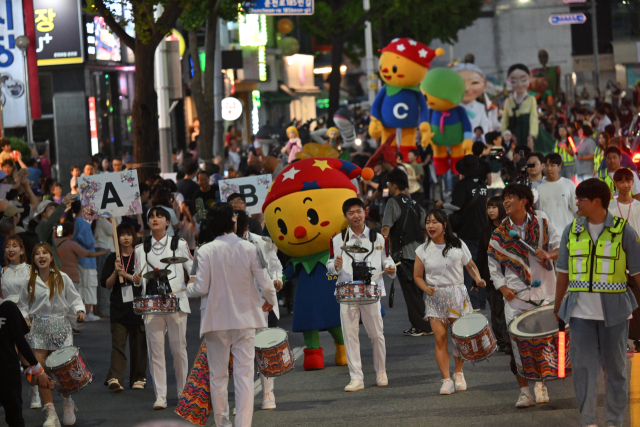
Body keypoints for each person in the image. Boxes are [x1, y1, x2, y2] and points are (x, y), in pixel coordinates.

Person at [554, 178, 640, 427]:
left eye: (580, 199)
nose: (577, 203)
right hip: (580, 314)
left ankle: (614, 422)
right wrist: (558, 306)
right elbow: (562, 272)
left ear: (596, 202)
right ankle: (588, 421)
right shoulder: (572, 230)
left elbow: (637, 273)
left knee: (615, 372)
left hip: (615, 314)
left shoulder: (624, 231)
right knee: (583, 370)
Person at [186, 203, 277, 427]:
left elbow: (200, 288)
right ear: (232, 221)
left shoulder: (204, 250)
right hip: (245, 318)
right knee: (244, 375)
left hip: (215, 320)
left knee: (217, 376)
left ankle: (222, 423)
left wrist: (185, 288)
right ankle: (243, 425)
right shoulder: (249, 248)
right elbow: (266, 283)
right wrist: (270, 301)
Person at [488, 183, 560, 408]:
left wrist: (548, 254)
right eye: (504, 198)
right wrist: (502, 287)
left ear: (524, 201)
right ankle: (524, 391)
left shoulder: (542, 220)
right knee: (517, 345)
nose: (506, 202)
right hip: (515, 297)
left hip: (543, 293)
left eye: (510, 197)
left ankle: (540, 384)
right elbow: (492, 264)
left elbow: (561, 248)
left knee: (541, 343)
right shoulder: (500, 233)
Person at [326, 198, 396, 392]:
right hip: (347, 293)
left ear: (365, 212)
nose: (356, 215)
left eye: (358, 211)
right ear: (345, 216)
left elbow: (387, 260)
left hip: (370, 291)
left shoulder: (378, 238)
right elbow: (329, 266)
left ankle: (381, 372)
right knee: (350, 336)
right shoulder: (337, 239)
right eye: (351, 213)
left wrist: (390, 268)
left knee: (376, 335)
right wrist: (335, 266)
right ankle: (356, 377)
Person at [414, 209, 486, 394]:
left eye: (434, 222)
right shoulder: (422, 249)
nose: (430, 226)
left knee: (459, 338)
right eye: (428, 222)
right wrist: (425, 288)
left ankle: (459, 373)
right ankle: (446, 379)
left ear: (444, 225)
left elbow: (470, 265)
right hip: (435, 298)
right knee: (440, 338)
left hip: (457, 296)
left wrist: (478, 279)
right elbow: (417, 276)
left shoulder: (458, 244)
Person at [18, 243, 86, 427]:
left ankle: (67, 402)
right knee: (40, 371)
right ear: (33, 259)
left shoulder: (62, 278)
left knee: (64, 371)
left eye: (45, 253)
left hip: (61, 328)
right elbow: (22, 306)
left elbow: (75, 299)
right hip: (38, 329)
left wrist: (80, 310)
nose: (41, 256)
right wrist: (24, 317)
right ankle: (51, 413)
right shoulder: (29, 282)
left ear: (51, 257)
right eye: (37, 254)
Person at [132, 206, 193, 410]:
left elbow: (193, 271)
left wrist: (188, 288)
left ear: (168, 221)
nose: (155, 219)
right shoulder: (140, 248)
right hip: (151, 303)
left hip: (175, 301)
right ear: (147, 222)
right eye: (151, 217)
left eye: (160, 216)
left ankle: (183, 392)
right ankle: (161, 396)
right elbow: (137, 277)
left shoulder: (179, 244)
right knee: (155, 352)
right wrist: (135, 278)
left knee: (178, 350)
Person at [235, 210, 283, 408]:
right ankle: (242, 401)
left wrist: (277, 280)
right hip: (237, 306)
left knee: (265, 349)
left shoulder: (262, 242)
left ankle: (268, 394)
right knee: (242, 355)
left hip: (263, 303)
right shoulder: (221, 246)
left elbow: (275, 266)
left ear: (245, 226)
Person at [381, 168, 432, 336]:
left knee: (411, 295)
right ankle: (421, 324)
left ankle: (422, 327)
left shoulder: (392, 203)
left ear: (394, 185)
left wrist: (381, 249)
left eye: (389, 183)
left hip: (404, 256)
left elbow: (386, 228)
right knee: (418, 292)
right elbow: (425, 229)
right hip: (420, 255)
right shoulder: (415, 204)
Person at [436, 155, 487, 310]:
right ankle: (482, 300)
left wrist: (441, 204)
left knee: (468, 266)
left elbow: (456, 206)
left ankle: (473, 301)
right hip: (483, 229)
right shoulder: (483, 185)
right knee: (481, 265)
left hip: (467, 230)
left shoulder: (462, 185)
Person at [101, 223, 147, 393]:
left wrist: (127, 275)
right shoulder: (113, 258)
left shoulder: (140, 257)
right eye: (122, 235)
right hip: (119, 307)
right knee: (118, 345)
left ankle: (139, 377)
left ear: (134, 237)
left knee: (139, 345)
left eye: (129, 234)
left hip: (139, 307)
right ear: (117, 237)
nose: (126, 238)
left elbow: (143, 280)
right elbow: (107, 285)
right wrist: (115, 271)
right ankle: (115, 378)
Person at [0, 296, 54, 427]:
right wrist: (38, 371)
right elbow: (21, 343)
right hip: (8, 372)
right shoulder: (8, 307)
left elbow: (21, 345)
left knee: (14, 417)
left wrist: (35, 371)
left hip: (7, 372)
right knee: (15, 418)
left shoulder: (7, 308)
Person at [1, 236, 42, 409]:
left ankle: (35, 391)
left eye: (15, 246)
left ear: (22, 250)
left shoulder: (30, 269)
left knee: (26, 357)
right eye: (8, 246)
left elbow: (34, 295)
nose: (11, 249)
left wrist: (26, 315)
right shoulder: (2, 271)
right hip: (5, 316)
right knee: (6, 357)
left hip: (26, 314)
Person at [475, 197, 510, 353]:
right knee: (495, 310)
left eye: (494, 207)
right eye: (489, 207)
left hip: (509, 276)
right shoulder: (486, 230)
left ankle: (510, 340)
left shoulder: (509, 228)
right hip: (491, 277)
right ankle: (502, 341)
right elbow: (481, 256)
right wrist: (477, 278)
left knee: (509, 309)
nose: (490, 210)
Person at [69, 201, 101, 322]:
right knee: (89, 285)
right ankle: (88, 313)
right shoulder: (84, 224)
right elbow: (89, 242)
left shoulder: (73, 222)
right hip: (88, 260)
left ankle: (81, 312)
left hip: (77, 259)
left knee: (81, 287)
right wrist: (94, 239)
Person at [535, 153, 578, 232]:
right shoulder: (536, 185)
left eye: (552, 165)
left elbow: (576, 208)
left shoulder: (569, 184)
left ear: (559, 167)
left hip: (565, 232)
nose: (549, 168)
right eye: (546, 165)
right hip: (544, 233)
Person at [34, 194, 74, 269]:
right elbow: (51, 221)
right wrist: (63, 204)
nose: (54, 210)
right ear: (42, 213)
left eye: (55, 208)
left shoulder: (47, 227)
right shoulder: (42, 227)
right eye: (51, 208)